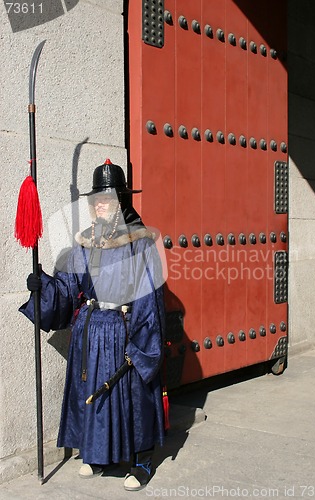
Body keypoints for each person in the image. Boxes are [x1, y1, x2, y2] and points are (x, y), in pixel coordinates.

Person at [20, 159, 166, 491]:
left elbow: (150, 299)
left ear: (121, 201)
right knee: (95, 396)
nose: (102, 206)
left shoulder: (140, 242)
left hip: (125, 328)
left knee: (133, 395)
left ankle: (141, 462)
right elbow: (68, 291)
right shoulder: (85, 243)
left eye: (108, 199)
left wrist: (140, 346)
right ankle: (99, 456)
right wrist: (42, 285)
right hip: (90, 332)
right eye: (97, 201)